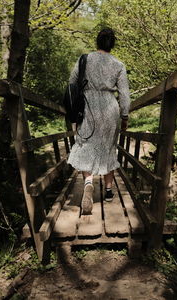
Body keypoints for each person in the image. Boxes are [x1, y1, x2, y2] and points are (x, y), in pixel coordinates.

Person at [67, 28, 130, 215]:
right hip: (110, 108)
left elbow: (71, 83)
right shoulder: (118, 64)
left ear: (97, 42)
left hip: (88, 106)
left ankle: (88, 183)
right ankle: (109, 191)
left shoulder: (84, 59)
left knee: (87, 146)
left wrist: (73, 113)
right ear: (113, 44)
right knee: (108, 147)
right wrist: (124, 116)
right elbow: (124, 94)